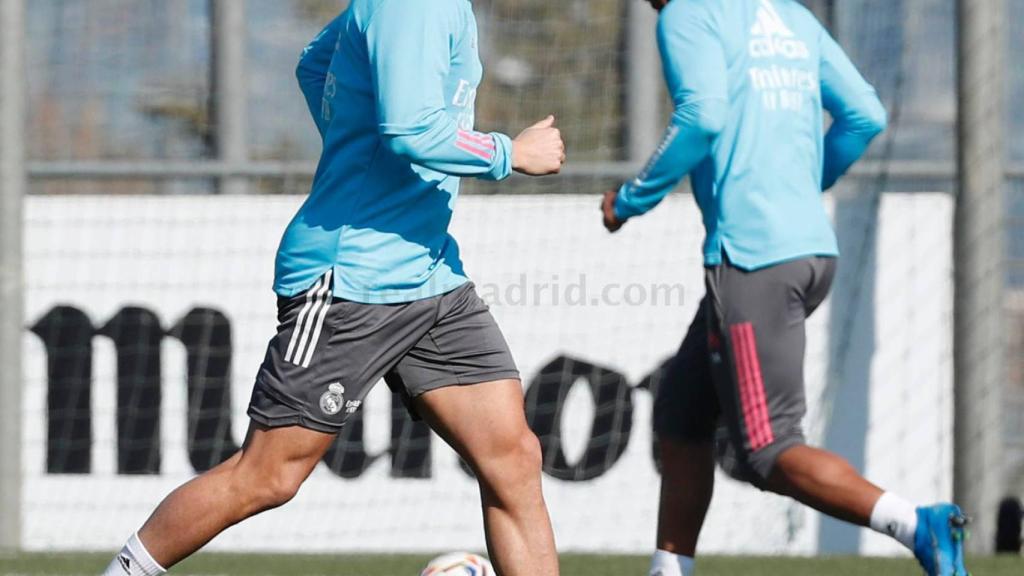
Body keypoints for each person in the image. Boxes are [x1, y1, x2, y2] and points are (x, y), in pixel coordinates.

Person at [103, 1, 565, 574]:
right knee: (268, 477)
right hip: (350, 278)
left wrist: (358, 146)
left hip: (430, 274)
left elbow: (313, 64)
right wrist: (510, 153)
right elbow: (409, 128)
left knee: (514, 458)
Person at [601, 1, 968, 575]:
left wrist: (630, 199)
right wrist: (803, 184)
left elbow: (701, 116)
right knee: (681, 413)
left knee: (769, 451)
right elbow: (865, 114)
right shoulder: (787, 15)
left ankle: (917, 524)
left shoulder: (686, 15)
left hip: (752, 261)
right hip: (808, 249)